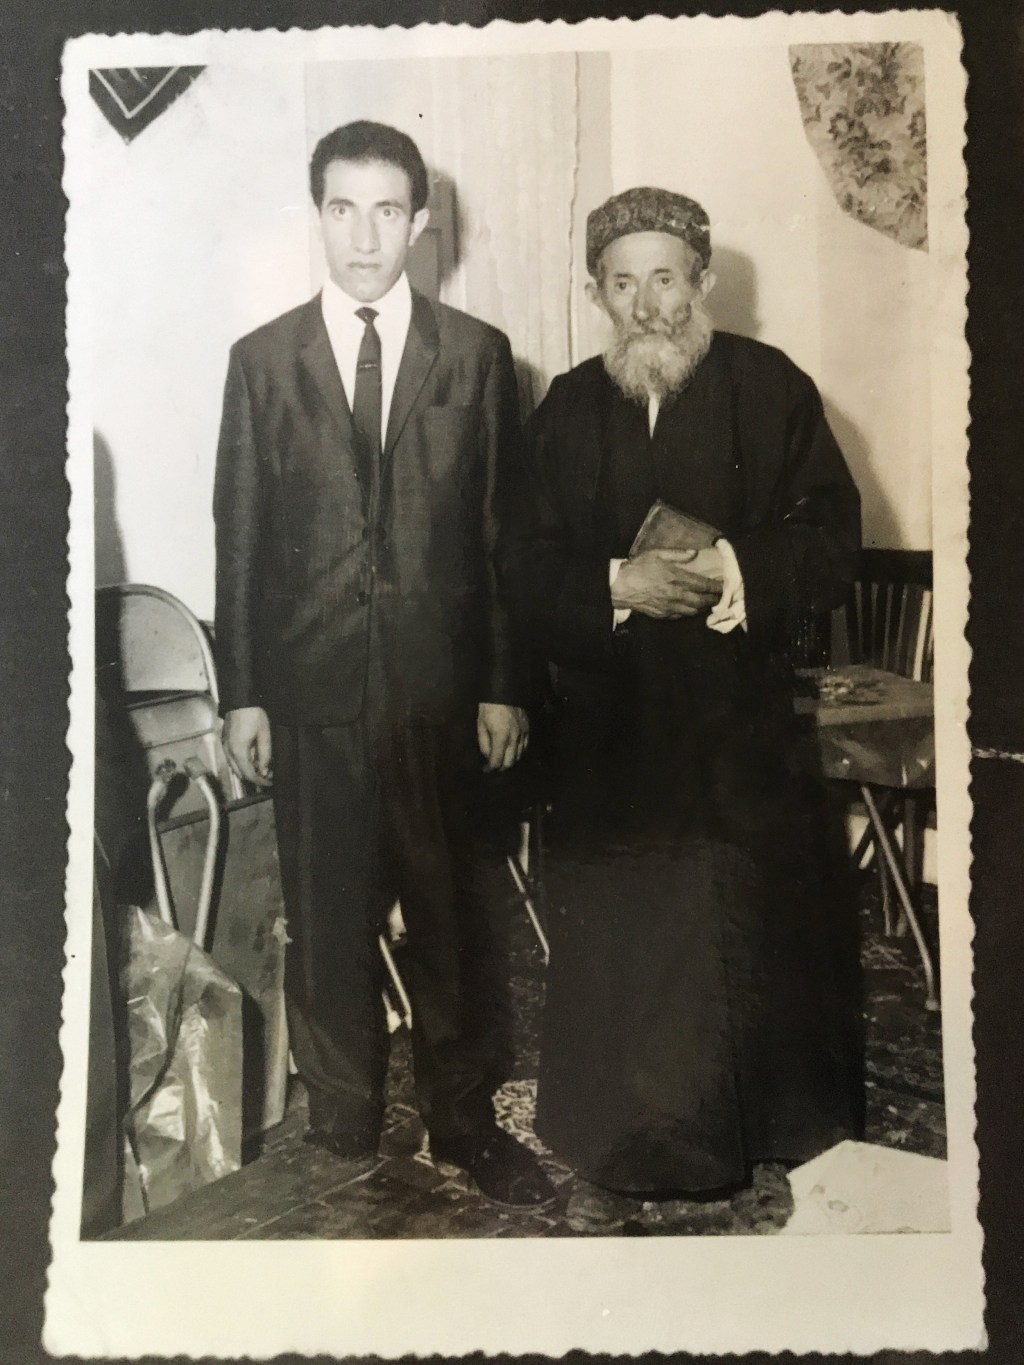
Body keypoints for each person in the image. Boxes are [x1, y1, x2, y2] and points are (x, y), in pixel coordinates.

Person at [510, 187, 864, 1231]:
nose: (646, 303)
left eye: (665, 277)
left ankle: (751, 1133)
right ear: (595, 294)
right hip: (609, 738)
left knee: (738, 935)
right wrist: (612, 584)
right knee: (626, 941)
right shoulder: (567, 407)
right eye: (621, 283)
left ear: (702, 282)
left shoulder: (771, 387)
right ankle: (622, 1134)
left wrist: (730, 563)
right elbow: (518, 562)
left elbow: (833, 542)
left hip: (735, 731)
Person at [213, 121, 554, 1208]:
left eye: (388, 211)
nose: (365, 236)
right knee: (324, 916)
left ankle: (464, 1124)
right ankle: (341, 1119)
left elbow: (504, 536)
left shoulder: (480, 355)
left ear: (421, 221)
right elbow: (241, 536)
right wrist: (243, 694)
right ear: (317, 214)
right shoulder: (263, 362)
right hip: (309, 690)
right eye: (343, 209)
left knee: (454, 916)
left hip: (440, 693)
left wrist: (502, 683)